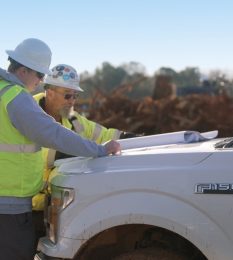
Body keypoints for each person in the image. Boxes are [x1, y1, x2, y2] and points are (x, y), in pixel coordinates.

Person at [0, 38, 121, 260]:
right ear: (24, 70)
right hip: (9, 206)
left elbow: (98, 132)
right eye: (38, 75)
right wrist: (100, 151)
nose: (39, 81)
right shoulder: (16, 98)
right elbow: (53, 134)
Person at [31, 64, 135, 243]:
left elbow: (100, 134)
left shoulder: (71, 118)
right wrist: (82, 151)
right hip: (28, 206)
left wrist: (130, 139)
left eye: (75, 96)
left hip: (56, 204)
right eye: (67, 95)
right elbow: (44, 153)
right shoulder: (29, 114)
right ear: (49, 91)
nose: (72, 101)